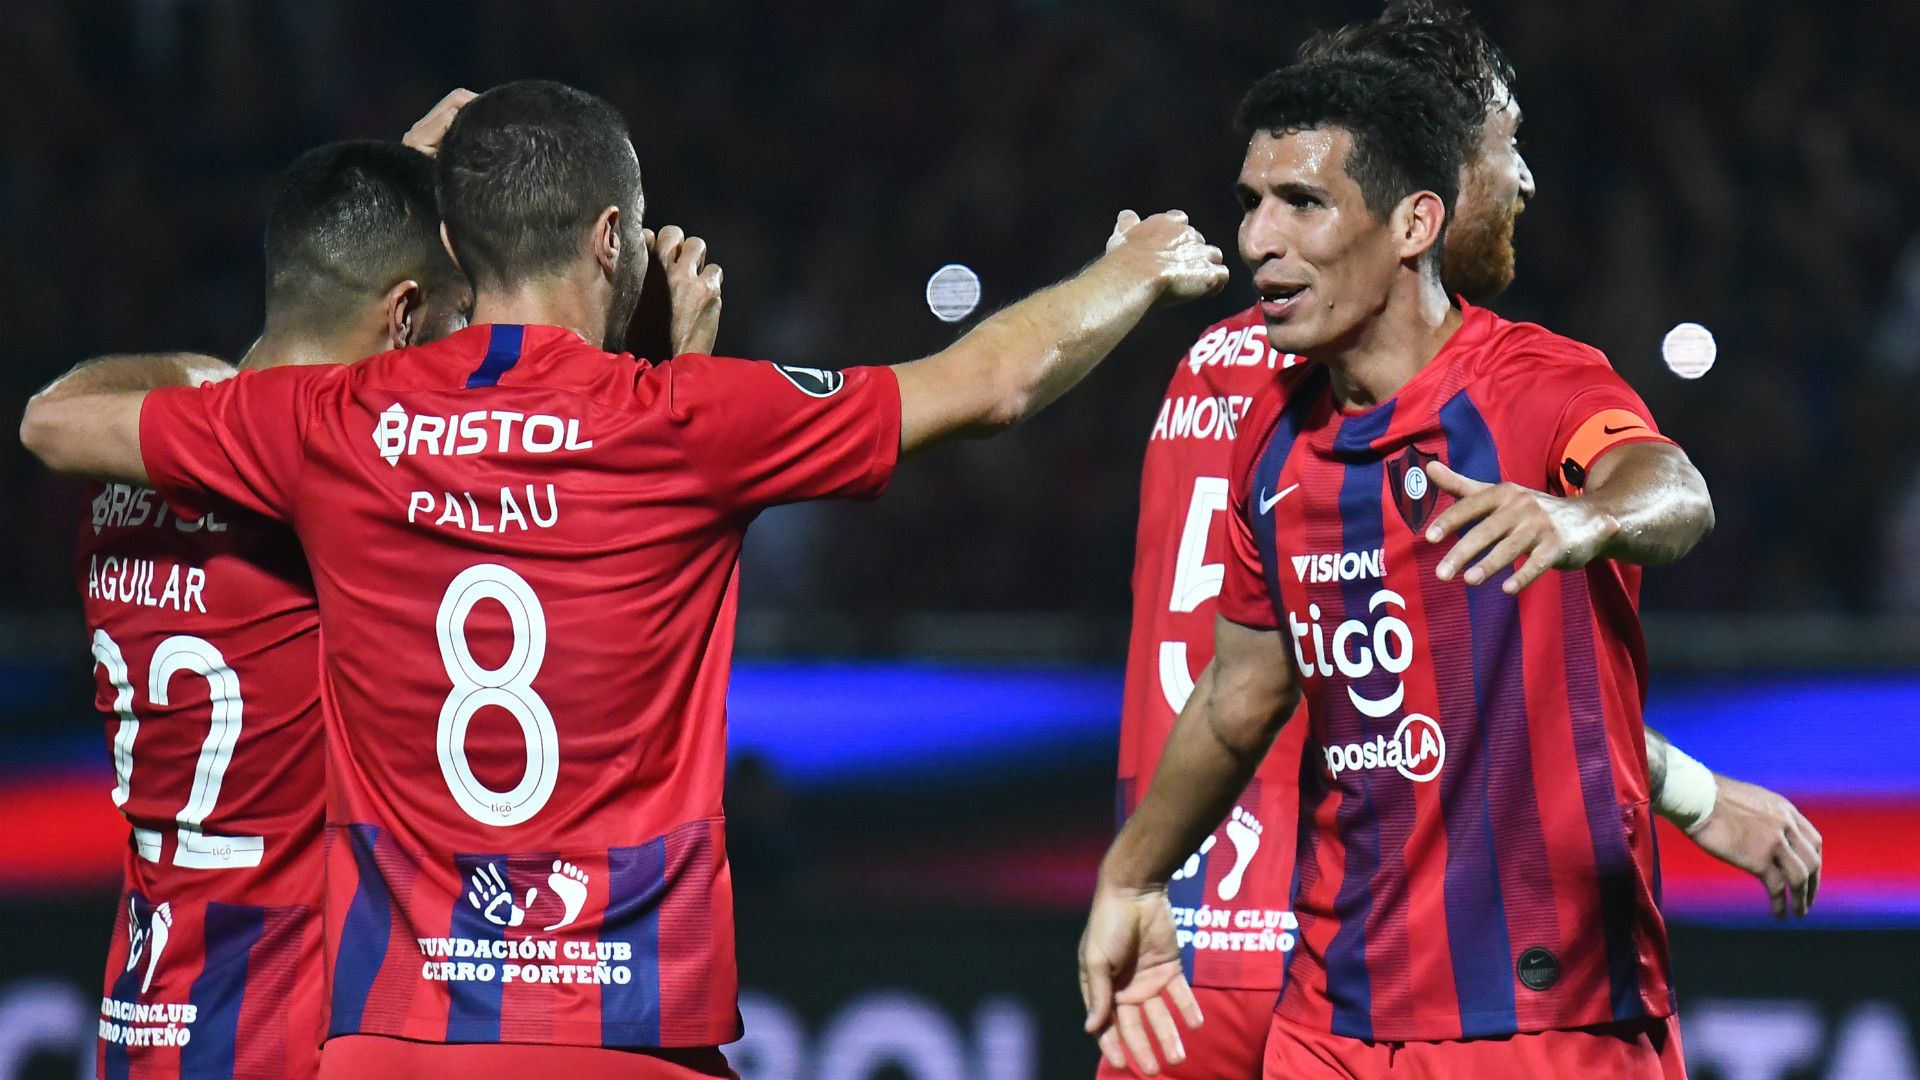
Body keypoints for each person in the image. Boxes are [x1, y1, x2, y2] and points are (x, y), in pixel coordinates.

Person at [21, 79, 1227, 1079]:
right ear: (612, 239)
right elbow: (989, 384)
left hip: (392, 1037)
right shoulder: (690, 421)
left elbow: (65, 427)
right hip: (620, 1031)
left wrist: (364, 207)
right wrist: (1133, 265)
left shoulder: (335, 422)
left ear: (447, 250)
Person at [1110, 6, 1821, 1076]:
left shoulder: (1224, 364)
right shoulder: (1315, 381)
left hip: (1216, 955)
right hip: (1331, 946)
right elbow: (1354, 689)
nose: (1524, 181)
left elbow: (1437, 671)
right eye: (1503, 144)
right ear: (1419, 185)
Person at [43, 137, 470, 1080]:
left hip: (143, 1004)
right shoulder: (330, 495)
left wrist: (382, 184)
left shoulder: (122, 479)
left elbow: (55, 409)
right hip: (274, 1013)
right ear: (403, 317)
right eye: (452, 321)